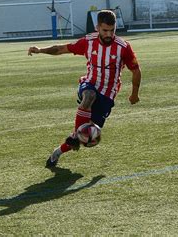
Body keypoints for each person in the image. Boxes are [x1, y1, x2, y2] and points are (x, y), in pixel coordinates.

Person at [28, 10, 141, 167]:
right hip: (90, 83)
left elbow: (136, 70)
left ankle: (58, 152)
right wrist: (40, 50)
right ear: (97, 28)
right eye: (105, 30)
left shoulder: (123, 47)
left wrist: (134, 94)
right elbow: (62, 49)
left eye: (112, 30)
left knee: (85, 136)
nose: (109, 34)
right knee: (89, 95)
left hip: (108, 95)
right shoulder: (88, 42)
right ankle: (75, 136)